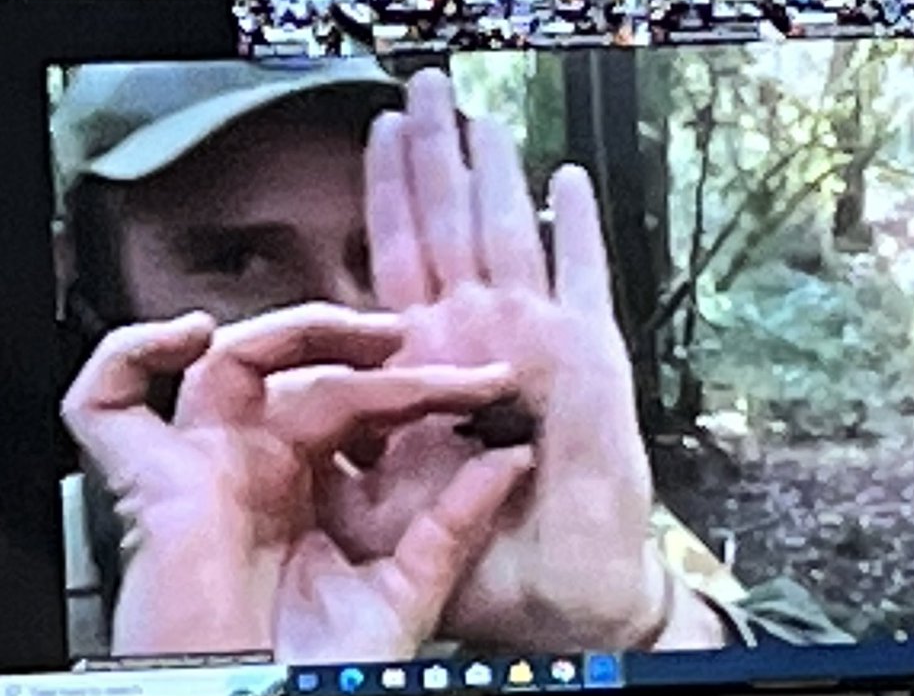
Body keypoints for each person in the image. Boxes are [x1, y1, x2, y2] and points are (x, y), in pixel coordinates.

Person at [51, 57, 853, 662]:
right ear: (88, 288)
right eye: (237, 262)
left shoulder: (526, 515)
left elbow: (821, 653)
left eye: (379, 252)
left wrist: (635, 626)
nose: (347, 316)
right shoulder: (43, 576)